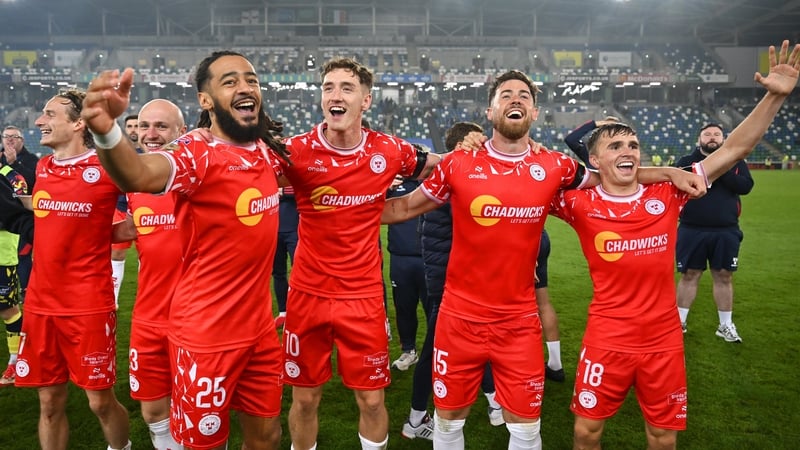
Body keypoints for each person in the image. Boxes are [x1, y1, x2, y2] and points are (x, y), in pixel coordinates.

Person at [381, 70, 701, 450]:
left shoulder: (555, 166)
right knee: (448, 423)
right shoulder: (459, 162)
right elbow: (404, 207)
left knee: (527, 429)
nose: (515, 99)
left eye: (524, 95)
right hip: (459, 317)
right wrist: (339, 207)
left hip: (519, 322)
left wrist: (667, 172)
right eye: (505, 94)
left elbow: (611, 176)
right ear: (490, 111)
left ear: (534, 113)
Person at [548, 40, 798, 450]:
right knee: (585, 432)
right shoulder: (578, 203)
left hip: (662, 340)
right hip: (606, 338)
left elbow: (736, 149)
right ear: (594, 161)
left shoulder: (668, 192)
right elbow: (525, 182)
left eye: (633, 145)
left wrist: (774, 97)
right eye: (615, 146)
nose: (628, 151)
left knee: (663, 436)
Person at [81, 51, 290, 450]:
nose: (245, 87)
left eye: (251, 79)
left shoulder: (266, 149)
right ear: (205, 99)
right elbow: (138, 173)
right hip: (206, 336)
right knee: (204, 443)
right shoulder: (197, 152)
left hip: (260, 331)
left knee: (268, 436)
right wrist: (106, 131)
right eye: (229, 81)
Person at [278, 57, 441, 450]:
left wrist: (486, 153)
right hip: (308, 296)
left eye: (346, 88)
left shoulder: (389, 150)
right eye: (328, 88)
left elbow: (445, 169)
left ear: (366, 100)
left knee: (371, 400)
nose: (335, 95)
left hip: (362, 299)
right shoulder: (294, 151)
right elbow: (240, 174)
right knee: (305, 399)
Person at [13, 89, 131, 450]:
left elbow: (145, 207)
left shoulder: (108, 167)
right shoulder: (43, 168)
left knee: (100, 402)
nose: (39, 121)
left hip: (88, 305)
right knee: (49, 403)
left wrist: (133, 229)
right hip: (40, 305)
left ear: (79, 123)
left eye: (50, 114)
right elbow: (60, 217)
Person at [401, 122, 504, 442]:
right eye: (478, 143)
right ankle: (415, 419)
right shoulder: (450, 179)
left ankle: (493, 401)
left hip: (454, 278)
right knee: (435, 349)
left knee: (477, 341)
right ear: (462, 146)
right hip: (450, 282)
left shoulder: (450, 177)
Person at [118, 99, 187, 450]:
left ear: (182, 131)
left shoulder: (201, 181)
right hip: (149, 316)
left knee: (197, 411)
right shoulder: (134, 184)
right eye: (144, 126)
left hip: (195, 318)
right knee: (153, 410)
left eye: (161, 126)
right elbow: (126, 231)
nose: (150, 134)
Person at [674, 123, 754, 342]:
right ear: (699, 139)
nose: (712, 137)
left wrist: (720, 168)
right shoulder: (685, 162)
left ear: (723, 139)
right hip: (691, 229)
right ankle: (678, 323)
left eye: (716, 134)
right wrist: (700, 169)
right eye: (707, 134)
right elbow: (674, 185)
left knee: (724, 276)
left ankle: (725, 325)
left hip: (726, 230)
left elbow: (746, 186)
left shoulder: (735, 161)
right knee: (689, 275)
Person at [386, 148, 428, 372]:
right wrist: (384, 187)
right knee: (404, 308)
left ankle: (437, 351)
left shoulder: (432, 185)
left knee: (435, 310)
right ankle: (409, 350)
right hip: (400, 258)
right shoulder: (392, 184)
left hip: (429, 259)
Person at [1, 126, 38, 301]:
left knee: (22, 255)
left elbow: (34, 182)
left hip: (22, 218)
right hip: (6, 218)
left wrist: (15, 164)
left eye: (14, 136)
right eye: (6, 136)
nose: (9, 140)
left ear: (22, 140)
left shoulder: (31, 160)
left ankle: (26, 290)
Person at [0, 163, 27, 386]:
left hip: (2, 256)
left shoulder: (12, 177)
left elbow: (15, 214)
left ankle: (16, 362)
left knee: (7, 310)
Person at [110, 114, 140, 303]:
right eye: (130, 126)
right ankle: (113, 299)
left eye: (137, 126)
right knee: (117, 253)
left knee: (149, 254)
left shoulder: (152, 152)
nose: (133, 130)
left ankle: (147, 296)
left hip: (146, 210)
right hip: (121, 207)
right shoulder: (117, 153)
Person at [272, 183, 299, 330]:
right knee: (278, 272)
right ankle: (283, 312)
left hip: (294, 228)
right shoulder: (269, 172)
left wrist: (281, 191)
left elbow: (302, 189)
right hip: (274, 229)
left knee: (300, 273)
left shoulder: (292, 171)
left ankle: (301, 312)